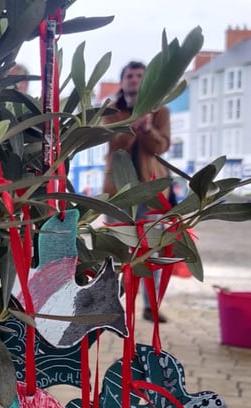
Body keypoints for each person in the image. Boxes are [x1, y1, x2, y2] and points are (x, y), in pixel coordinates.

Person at [102, 61, 171, 323]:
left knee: (152, 250)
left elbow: (161, 146)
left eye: (139, 75)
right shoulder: (110, 110)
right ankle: (110, 303)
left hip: (151, 190)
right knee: (114, 247)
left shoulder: (160, 110)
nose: (134, 80)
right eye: (129, 75)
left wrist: (148, 128)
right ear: (122, 81)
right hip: (117, 191)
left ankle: (150, 306)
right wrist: (135, 124)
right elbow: (112, 142)